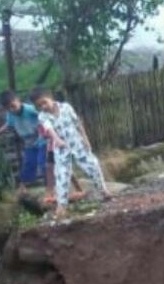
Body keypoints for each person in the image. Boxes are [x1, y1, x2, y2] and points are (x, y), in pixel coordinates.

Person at [30, 88, 111, 218]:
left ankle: (103, 191)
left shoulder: (66, 107)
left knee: (93, 165)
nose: (43, 107)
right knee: (61, 175)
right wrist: (57, 140)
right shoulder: (42, 116)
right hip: (61, 149)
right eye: (39, 106)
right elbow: (49, 130)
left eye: (44, 102)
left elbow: (77, 123)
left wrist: (86, 140)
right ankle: (62, 206)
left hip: (77, 143)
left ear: (51, 97)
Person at [1, 90, 49, 196]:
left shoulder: (30, 109)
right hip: (29, 144)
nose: (12, 110)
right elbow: (9, 124)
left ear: (18, 100)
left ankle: (49, 188)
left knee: (43, 162)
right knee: (29, 164)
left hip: (42, 140)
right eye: (8, 108)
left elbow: (44, 116)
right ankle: (23, 187)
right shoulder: (10, 114)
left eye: (13, 106)